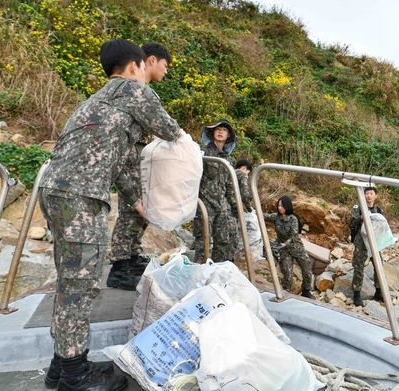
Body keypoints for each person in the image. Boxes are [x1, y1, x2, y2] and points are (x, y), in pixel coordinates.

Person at [39, 38, 183, 391]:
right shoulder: (134, 91)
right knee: (79, 290)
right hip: (79, 200)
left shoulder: (98, 100)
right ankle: (75, 379)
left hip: (56, 192)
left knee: (69, 285)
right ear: (136, 65)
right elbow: (171, 132)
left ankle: (62, 367)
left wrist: (135, 200)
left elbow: (114, 161)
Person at [107, 42, 173, 290]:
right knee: (130, 211)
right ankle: (119, 268)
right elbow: (165, 128)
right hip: (128, 159)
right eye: (165, 66)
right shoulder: (137, 89)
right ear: (152, 60)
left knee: (138, 214)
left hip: (139, 159)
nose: (166, 72)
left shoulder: (138, 88)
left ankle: (131, 257)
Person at [192, 119, 239, 263]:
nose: (220, 132)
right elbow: (194, 175)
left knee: (224, 241)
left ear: (228, 135)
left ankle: (217, 273)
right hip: (205, 201)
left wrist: (234, 206)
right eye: (218, 129)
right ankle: (198, 273)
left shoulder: (229, 159)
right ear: (212, 132)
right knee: (203, 240)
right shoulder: (203, 151)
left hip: (222, 204)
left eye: (224, 130)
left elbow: (229, 185)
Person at [264, 196, 313, 298]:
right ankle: (286, 293)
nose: (279, 207)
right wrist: (252, 212)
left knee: (307, 269)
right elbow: (264, 216)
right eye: (279, 205)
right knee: (287, 273)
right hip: (284, 250)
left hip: (296, 247)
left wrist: (285, 243)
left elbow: (294, 235)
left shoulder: (293, 219)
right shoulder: (276, 217)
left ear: (287, 206)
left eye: (282, 205)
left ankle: (306, 290)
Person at [349, 187, 385, 306]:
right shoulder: (358, 208)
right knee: (359, 266)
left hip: (374, 242)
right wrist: (362, 217)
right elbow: (352, 223)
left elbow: (382, 226)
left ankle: (379, 291)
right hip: (361, 241)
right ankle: (357, 293)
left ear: (375, 196)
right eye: (366, 194)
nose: (369, 196)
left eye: (371, 193)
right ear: (363, 196)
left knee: (379, 265)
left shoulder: (378, 210)